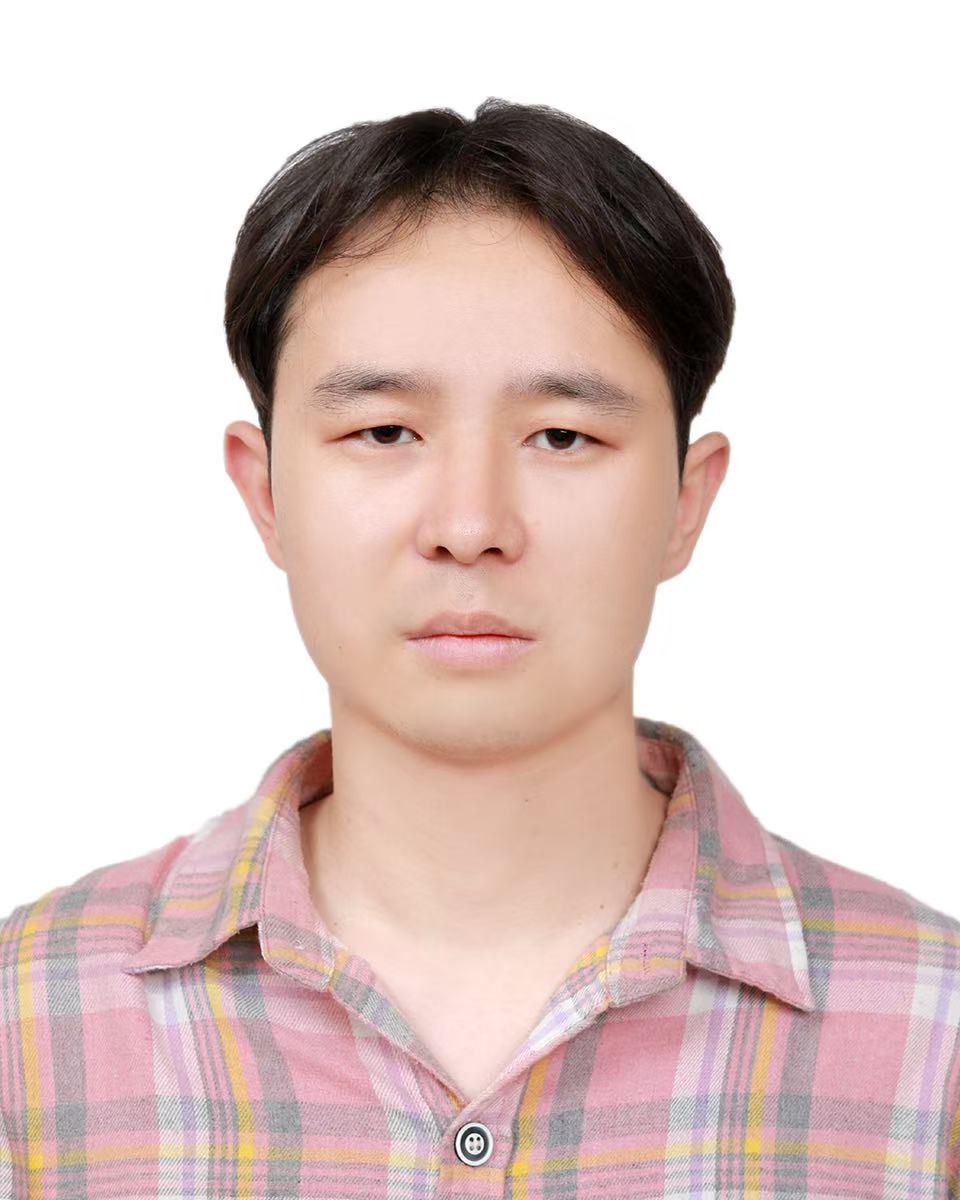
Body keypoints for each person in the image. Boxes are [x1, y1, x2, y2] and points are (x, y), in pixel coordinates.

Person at [2, 98, 958, 1199]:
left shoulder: (931, 1039)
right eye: (384, 432)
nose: (469, 524)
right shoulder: (31, 1028)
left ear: (686, 503)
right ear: (265, 494)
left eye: (562, 435)